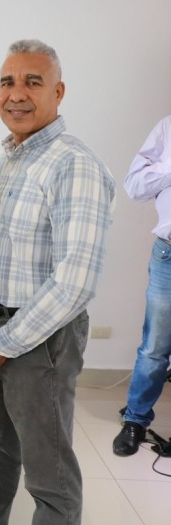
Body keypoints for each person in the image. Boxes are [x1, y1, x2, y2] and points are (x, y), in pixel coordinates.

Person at [0, 40, 115, 525]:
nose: (16, 94)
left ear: (58, 92)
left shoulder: (73, 164)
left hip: (37, 340)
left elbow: (76, 280)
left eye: (32, 82)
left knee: (49, 475)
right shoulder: (5, 160)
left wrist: (1, 344)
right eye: (7, 82)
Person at [112, 116, 171, 456]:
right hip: (169, 255)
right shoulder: (167, 128)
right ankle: (135, 421)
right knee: (155, 348)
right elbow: (134, 186)